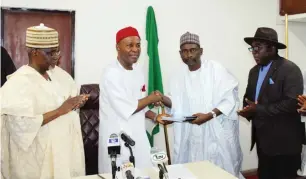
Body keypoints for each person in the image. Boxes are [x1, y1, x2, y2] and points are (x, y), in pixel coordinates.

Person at [1, 23, 88, 179]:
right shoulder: (18, 82)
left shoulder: (60, 76)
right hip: (38, 162)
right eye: (51, 52)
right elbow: (20, 125)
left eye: (57, 51)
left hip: (63, 154)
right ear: (34, 52)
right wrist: (61, 110)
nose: (56, 56)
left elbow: (65, 105)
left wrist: (74, 104)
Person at [155, 32, 244, 178]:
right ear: (180, 54)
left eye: (192, 50)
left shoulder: (216, 69)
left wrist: (210, 115)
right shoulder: (177, 76)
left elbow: (230, 98)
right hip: (191, 133)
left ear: (200, 51)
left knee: (219, 171)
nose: (188, 55)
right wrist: (162, 98)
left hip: (215, 130)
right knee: (193, 169)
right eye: (184, 51)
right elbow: (176, 102)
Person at [238, 27, 304, 179]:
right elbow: (248, 97)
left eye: (258, 48)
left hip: (285, 144)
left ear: (272, 48)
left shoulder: (289, 69)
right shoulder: (254, 71)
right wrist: (247, 110)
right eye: (252, 48)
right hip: (263, 142)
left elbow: (291, 103)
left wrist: (258, 109)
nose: (254, 52)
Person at [98, 26, 165, 173]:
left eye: (138, 45)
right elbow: (127, 108)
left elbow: (139, 104)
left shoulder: (138, 71)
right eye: (129, 45)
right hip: (117, 139)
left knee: (145, 172)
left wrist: (154, 116)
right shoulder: (111, 74)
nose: (135, 49)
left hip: (138, 136)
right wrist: (150, 98)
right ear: (118, 47)